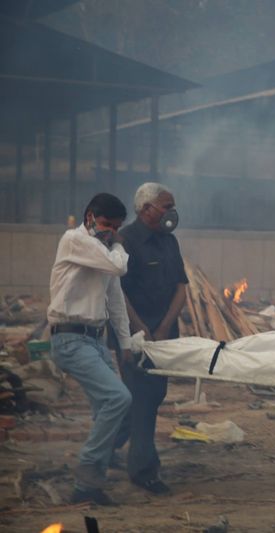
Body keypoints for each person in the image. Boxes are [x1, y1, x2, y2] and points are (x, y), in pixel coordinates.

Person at [48, 193, 133, 505]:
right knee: (118, 398)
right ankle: (87, 479)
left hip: (96, 339)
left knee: (111, 409)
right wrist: (119, 244)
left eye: (116, 228)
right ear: (89, 218)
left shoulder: (103, 253)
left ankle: (96, 473)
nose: (111, 232)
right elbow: (119, 267)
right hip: (70, 338)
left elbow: (116, 302)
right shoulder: (75, 240)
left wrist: (125, 343)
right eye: (106, 224)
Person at [110, 182, 187, 494]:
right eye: (166, 206)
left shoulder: (170, 241)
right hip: (134, 336)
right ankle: (144, 471)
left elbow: (181, 287)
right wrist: (141, 329)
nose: (172, 212)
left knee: (151, 396)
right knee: (142, 398)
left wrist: (165, 327)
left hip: (163, 335)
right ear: (146, 209)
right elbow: (118, 293)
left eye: (172, 206)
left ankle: (105, 446)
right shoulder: (125, 240)